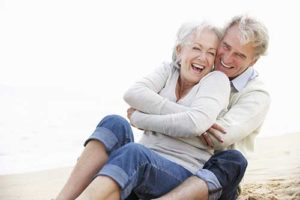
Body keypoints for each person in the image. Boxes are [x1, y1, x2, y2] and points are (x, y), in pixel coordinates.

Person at [56, 21, 231, 200]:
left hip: (180, 172)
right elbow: (133, 94)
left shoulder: (216, 80)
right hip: (143, 162)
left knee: (134, 153)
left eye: (211, 53)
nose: (203, 57)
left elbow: (194, 124)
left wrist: (140, 119)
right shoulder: (169, 70)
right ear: (179, 50)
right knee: (113, 123)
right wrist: (185, 114)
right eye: (196, 48)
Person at [154, 15, 270, 200]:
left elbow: (218, 138)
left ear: (253, 61)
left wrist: (151, 117)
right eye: (226, 46)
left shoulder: (256, 95)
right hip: (174, 159)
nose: (227, 58)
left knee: (234, 160)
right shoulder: (202, 68)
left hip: (212, 175)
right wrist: (191, 120)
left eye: (240, 55)